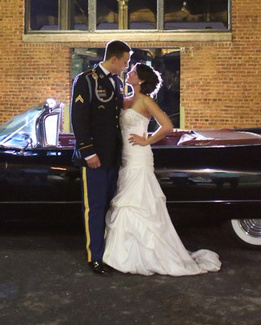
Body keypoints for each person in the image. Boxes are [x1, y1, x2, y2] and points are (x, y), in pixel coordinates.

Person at [103, 63, 221, 275]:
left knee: (136, 201)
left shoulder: (145, 101)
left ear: (140, 80)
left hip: (139, 154)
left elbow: (167, 125)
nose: (129, 73)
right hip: (124, 156)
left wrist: (147, 140)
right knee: (124, 199)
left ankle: (142, 254)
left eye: (133, 72)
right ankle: (123, 253)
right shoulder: (125, 99)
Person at [71, 39, 132, 275]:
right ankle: (95, 257)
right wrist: (88, 151)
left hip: (113, 156)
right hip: (95, 157)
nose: (126, 66)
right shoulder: (86, 80)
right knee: (95, 208)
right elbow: (79, 118)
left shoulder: (116, 82)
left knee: (108, 206)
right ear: (114, 59)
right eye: (125, 61)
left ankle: (109, 253)